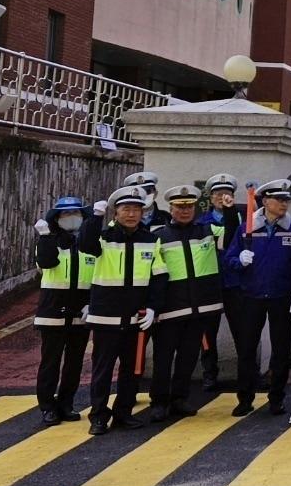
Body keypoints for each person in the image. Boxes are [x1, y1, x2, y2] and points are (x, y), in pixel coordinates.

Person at [79, 186, 165, 435]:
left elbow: (159, 277)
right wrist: (95, 218)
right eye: (126, 209)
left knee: (132, 370)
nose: (132, 214)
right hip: (106, 317)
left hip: (136, 318)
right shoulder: (103, 237)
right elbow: (85, 245)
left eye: (137, 209)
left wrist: (153, 307)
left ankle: (123, 413)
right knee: (103, 370)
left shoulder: (150, 240)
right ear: (115, 212)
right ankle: (98, 416)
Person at [147, 184, 223, 423]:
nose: (185, 210)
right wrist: (154, 307)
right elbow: (153, 274)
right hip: (169, 310)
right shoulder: (159, 236)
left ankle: (179, 398)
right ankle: (159, 402)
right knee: (163, 359)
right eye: (180, 207)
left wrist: (230, 209)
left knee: (188, 358)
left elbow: (232, 232)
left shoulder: (207, 231)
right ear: (171, 208)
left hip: (199, 309)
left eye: (189, 206)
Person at [223, 179, 291, 418]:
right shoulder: (247, 228)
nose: (284, 204)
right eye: (279, 200)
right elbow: (229, 258)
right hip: (251, 295)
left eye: (287, 200)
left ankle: (277, 398)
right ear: (265, 201)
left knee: (281, 350)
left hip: (282, 295)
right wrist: (239, 260)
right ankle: (245, 398)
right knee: (247, 349)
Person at [32, 196, 94, 425]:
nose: (71, 218)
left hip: (81, 311)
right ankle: (47, 406)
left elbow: (99, 275)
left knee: (74, 363)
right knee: (51, 362)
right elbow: (46, 263)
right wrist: (45, 235)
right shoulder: (49, 240)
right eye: (65, 214)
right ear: (57, 218)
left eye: (75, 213)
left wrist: (92, 304)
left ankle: (66, 404)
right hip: (53, 311)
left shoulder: (91, 242)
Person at [196, 174, 242, 392]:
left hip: (235, 282)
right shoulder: (201, 222)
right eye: (217, 194)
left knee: (242, 330)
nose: (222, 197)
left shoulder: (242, 219)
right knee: (208, 331)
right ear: (211, 197)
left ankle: (247, 371)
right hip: (210, 283)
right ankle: (209, 372)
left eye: (227, 194)